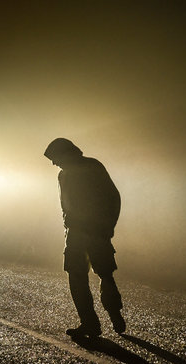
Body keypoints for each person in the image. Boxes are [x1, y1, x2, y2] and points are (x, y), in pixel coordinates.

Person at [44, 137, 126, 337]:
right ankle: (92, 322)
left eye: (55, 158)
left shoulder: (91, 167)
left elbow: (112, 198)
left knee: (102, 274)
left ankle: (110, 315)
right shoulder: (65, 174)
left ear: (66, 153)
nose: (54, 163)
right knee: (79, 276)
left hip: (95, 231)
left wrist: (107, 227)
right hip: (76, 233)